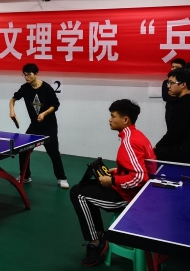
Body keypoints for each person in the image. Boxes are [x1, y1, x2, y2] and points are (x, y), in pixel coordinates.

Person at [69, 99, 156, 267]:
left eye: (113, 116)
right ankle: (99, 234)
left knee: (77, 193)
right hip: (138, 193)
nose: (110, 119)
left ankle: (96, 242)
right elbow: (142, 166)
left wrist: (113, 180)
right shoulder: (137, 135)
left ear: (125, 119)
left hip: (130, 198)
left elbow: (140, 177)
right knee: (85, 187)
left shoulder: (130, 142)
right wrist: (118, 171)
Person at [9, 63, 69, 189]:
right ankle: (26, 176)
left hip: (49, 126)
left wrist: (44, 113)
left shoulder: (46, 88)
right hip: (35, 125)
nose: (26, 77)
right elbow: (13, 99)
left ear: (36, 74)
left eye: (29, 74)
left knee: (53, 152)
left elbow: (55, 105)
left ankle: (62, 178)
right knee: (23, 149)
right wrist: (12, 110)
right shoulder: (25, 88)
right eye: (24, 75)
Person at [161, 58, 185, 129]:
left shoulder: (186, 82)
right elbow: (166, 97)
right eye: (172, 67)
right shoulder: (166, 82)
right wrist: (178, 95)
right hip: (170, 112)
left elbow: (185, 97)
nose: (174, 69)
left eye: (177, 67)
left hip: (182, 112)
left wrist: (174, 95)